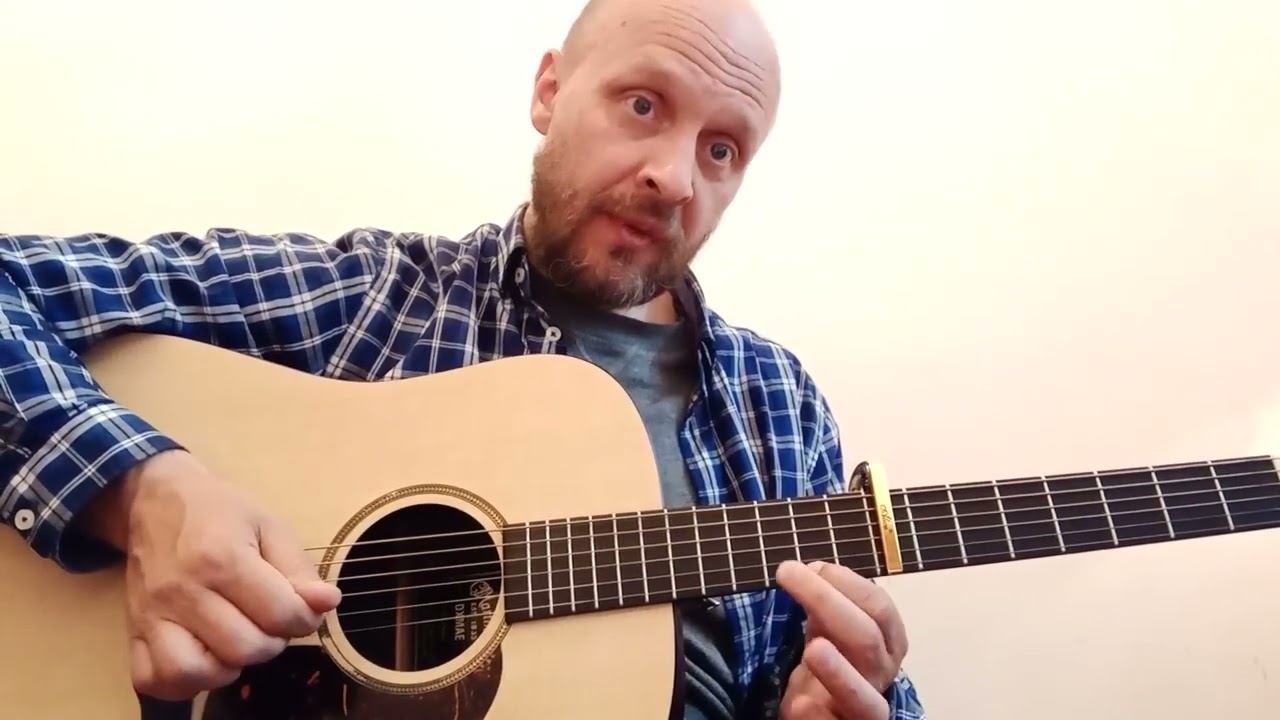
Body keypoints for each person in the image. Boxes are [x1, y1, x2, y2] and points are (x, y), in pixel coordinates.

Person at [0, 0, 926, 718]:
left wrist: (850, 703)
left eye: (721, 150)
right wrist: (141, 491)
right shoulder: (375, 299)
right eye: (643, 105)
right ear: (550, 92)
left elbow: (831, 676)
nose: (675, 177)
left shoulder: (778, 405)